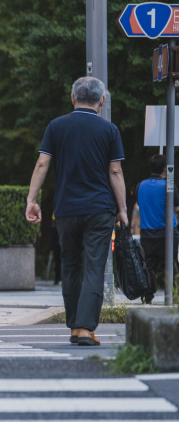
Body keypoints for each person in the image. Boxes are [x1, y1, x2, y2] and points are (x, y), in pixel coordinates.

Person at [26, 76, 127, 346]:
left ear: (73, 98)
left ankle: (74, 327)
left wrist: (31, 200)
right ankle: (85, 328)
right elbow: (115, 171)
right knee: (94, 267)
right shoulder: (110, 130)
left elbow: (42, 164)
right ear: (102, 100)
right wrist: (123, 210)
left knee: (70, 267)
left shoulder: (56, 126)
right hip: (99, 209)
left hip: (66, 210)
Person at [133, 153, 179, 304]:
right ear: (165, 169)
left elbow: (140, 205)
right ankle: (171, 296)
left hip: (147, 233)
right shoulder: (168, 186)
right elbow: (177, 207)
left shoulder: (140, 186)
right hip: (168, 233)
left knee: (148, 267)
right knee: (171, 266)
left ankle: (148, 296)